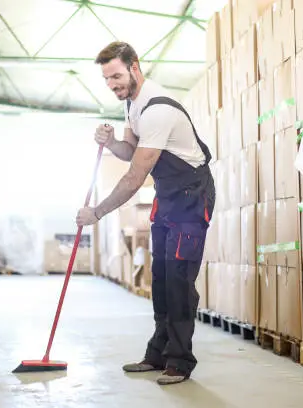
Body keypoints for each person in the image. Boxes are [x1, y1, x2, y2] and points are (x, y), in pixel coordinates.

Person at [75, 41, 216, 385]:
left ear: (135, 67)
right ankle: (157, 354)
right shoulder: (132, 105)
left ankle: (180, 362)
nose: (112, 85)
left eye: (117, 76)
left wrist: (98, 212)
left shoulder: (157, 109)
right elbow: (129, 152)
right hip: (168, 196)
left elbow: (135, 176)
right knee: (162, 279)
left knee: (180, 280)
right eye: (107, 79)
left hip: (191, 197)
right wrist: (110, 143)